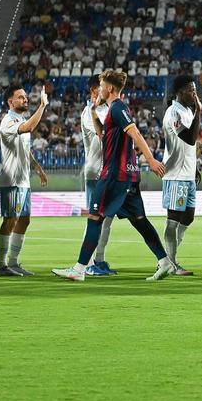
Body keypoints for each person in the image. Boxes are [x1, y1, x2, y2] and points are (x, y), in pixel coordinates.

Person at [52, 69, 174, 282]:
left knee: (95, 217)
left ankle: (80, 269)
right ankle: (164, 261)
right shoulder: (112, 110)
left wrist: (151, 159)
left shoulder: (117, 108)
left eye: (101, 86)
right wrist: (93, 112)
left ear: (109, 87)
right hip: (127, 175)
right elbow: (103, 135)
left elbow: (135, 133)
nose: (99, 89)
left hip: (114, 175)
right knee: (139, 220)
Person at [0, 84, 49, 277]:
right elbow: (29, 127)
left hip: (23, 180)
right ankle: (2, 265)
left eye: (25, 97)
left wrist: (37, 167)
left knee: (24, 220)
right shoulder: (8, 121)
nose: (25, 99)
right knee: (10, 220)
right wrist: (42, 105)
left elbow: (25, 148)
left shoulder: (21, 119)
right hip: (12, 180)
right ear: (10, 101)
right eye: (21, 97)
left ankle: (13, 262)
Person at [160, 74, 202, 276]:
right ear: (179, 92)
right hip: (175, 174)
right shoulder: (173, 112)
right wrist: (199, 112)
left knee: (189, 217)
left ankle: (170, 258)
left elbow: (188, 147)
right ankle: (170, 262)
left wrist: (194, 167)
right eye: (190, 90)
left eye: (195, 90)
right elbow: (189, 138)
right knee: (174, 219)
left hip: (188, 173)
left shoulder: (187, 110)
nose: (194, 94)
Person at [79, 77, 115, 276]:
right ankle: (89, 263)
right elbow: (104, 135)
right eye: (102, 87)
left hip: (109, 171)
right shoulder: (88, 112)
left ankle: (99, 260)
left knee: (107, 219)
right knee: (95, 219)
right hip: (95, 172)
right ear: (94, 90)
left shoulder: (108, 109)